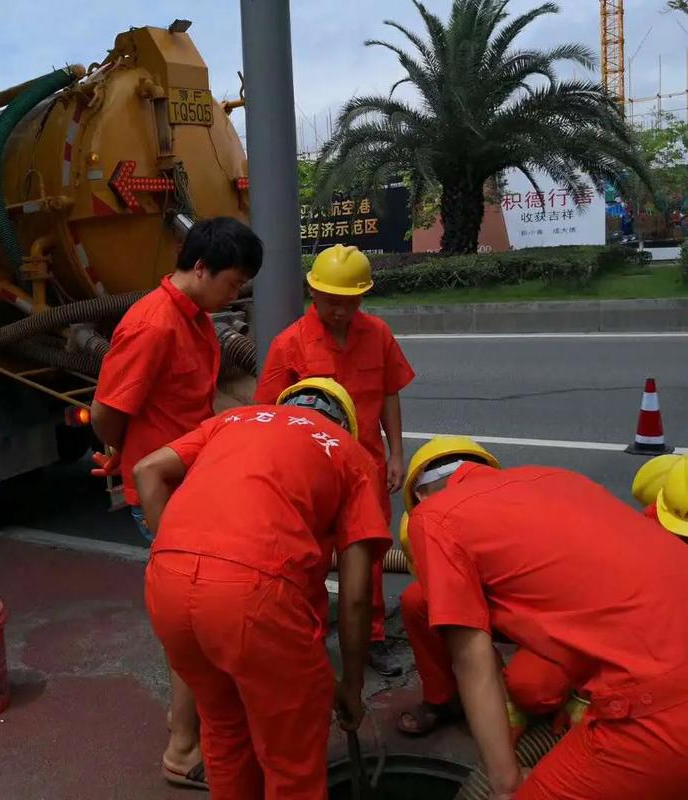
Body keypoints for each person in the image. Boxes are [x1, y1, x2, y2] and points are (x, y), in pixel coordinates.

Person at [136, 378, 390, 800]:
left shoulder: (234, 419)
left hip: (167, 586)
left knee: (224, 731)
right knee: (293, 761)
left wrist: (185, 560)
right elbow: (357, 595)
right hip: (255, 596)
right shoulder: (349, 453)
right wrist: (351, 684)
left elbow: (146, 471)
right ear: (344, 424)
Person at [406, 439, 688, 800]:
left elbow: (470, 659)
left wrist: (506, 783)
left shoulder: (434, 518)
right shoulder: (555, 479)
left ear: (421, 497)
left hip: (658, 707)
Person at [90, 215, 263, 790]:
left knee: (192, 612)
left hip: (188, 482)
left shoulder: (196, 318)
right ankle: (183, 750)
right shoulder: (154, 325)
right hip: (162, 489)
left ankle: (185, 720)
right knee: (191, 616)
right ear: (201, 268)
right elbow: (108, 411)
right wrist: (123, 451)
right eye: (233, 283)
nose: (235, 294)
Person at [253, 244, 414, 676]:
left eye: (350, 302)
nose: (340, 311)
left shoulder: (378, 334)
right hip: (314, 473)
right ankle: (309, 630)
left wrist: (397, 453)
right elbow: (267, 412)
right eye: (330, 302)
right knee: (310, 553)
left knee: (369, 554)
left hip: (366, 467)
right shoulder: (290, 344)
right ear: (313, 293)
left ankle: (372, 636)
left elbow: (389, 394)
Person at [393, 440, 573, 740]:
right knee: (416, 601)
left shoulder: (527, 515)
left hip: (551, 620)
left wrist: (504, 708)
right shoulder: (425, 529)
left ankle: (574, 686)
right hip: (500, 610)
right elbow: (461, 622)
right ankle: (443, 698)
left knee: (533, 690)